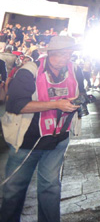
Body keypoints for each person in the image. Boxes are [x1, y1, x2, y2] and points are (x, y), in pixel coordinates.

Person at [0, 36, 84, 222]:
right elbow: (16, 105)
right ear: (50, 53)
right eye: (62, 54)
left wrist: (79, 101)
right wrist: (56, 104)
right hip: (27, 141)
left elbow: (81, 92)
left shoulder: (75, 70)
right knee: (14, 188)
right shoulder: (28, 72)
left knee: (51, 187)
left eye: (69, 54)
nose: (66, 59)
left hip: (58, 139)